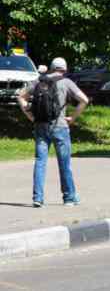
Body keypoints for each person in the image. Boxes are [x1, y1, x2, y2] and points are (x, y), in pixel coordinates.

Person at [17, 57, 89, 207]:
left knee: (40, 162)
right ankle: (69, 198)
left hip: (40, 127)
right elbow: (84, 100)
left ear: (51, 68)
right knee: (64, 163)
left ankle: (38, 198)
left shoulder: (39, 81)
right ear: (65, 69)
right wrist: (73, 118)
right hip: (60, 127)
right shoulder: (67, 82)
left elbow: (21, 96)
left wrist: (31, 116)